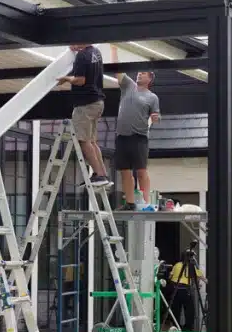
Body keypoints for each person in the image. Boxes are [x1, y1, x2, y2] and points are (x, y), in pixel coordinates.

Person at [57, 44, 111, 186]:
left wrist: (67, 79)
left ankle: (99, 175)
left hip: (85, 104)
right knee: (92, 141)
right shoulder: (96, 52)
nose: (70, 45)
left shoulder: (82, 55)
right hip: (97, 101)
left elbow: (81, 80)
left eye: (73, 42)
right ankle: (103, 174)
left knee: (83, 141)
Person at [114, 71, 160, 211]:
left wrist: (155, 118)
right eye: (139, 73)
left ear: (150, 79)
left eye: (144, 73)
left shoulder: (152, 97)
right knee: (125, 171)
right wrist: (115, 49)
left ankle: (146, 203)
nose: (139, 75)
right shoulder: (128, 85)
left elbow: (156, 115)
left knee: (141, 170)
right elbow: (119, 72)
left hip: (139, 137)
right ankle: (130, 202)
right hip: (122, 136)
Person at [169, 254, 206, 332]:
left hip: (176, 290)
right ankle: (188, 328)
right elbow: (201, 276)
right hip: (185, 290)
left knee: (176, 309)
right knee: (189, 310)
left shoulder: (177, 265)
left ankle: (176, 327)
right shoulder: (191, 266)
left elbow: (170, 276)